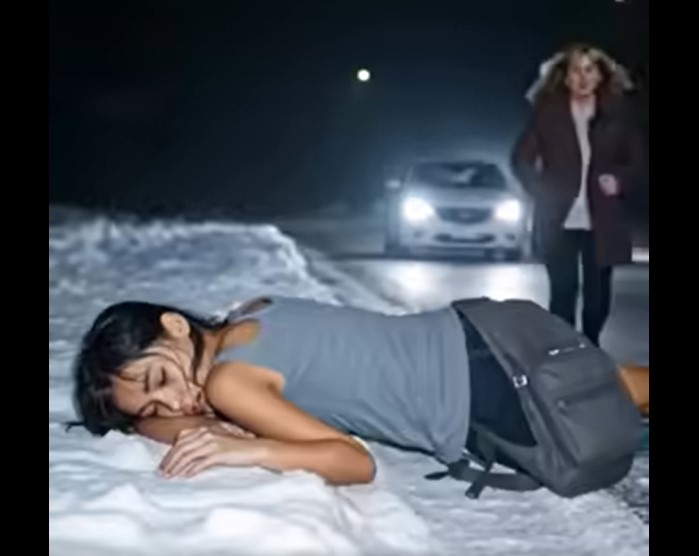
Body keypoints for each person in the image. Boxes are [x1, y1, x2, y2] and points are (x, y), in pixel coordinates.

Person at [70, 295, 648, 486]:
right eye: (155, 407)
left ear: (175, 325)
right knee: (624, 385)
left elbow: (354, 463)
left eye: (160, 379)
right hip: (483, 331)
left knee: (624, 400)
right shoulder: (250, 312)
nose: (177, 403)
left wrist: (246, 449)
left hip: (484, 390)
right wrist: (141, 412)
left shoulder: (229, 381)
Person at [511, 43, 645, 346]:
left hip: (603, 218)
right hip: (558, 218)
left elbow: (638, 161)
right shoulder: (548, 114)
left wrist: (620, 180)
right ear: (565, 76)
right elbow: (521, 159)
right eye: (576, 71)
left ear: (600, 75)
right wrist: (543, 191)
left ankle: (591, 344)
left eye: (589, 70)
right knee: (563, 291)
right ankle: (566, 351)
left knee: (597, 296)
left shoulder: (618, 115)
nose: (583, 78)